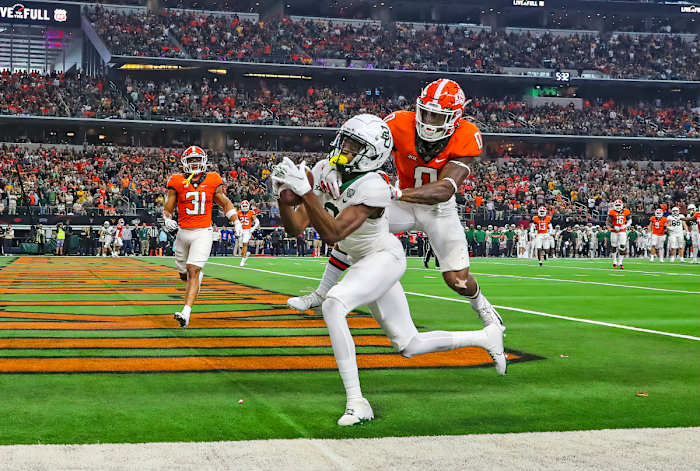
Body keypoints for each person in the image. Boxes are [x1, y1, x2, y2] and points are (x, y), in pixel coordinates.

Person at [272, 114, 505, 426]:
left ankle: (357, 402)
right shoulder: (324, 169)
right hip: (363, 263)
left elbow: (332, 234)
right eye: (345, 140)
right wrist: (286, 199)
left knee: (334, 305)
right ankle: (486, 337)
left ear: (373, 153)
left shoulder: (374, 187)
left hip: (383, 258)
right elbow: (296, 228)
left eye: (354, 145)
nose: (345, 148)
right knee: (410, 344)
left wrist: (309, 194)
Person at [289, 79, 504, 331]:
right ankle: (322, 293)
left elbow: (445, 190)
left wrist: (395, 192)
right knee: (353, 227)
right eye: (425, 112)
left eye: (437, 116)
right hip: (400, 200)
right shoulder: (399, 123)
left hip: (436, 210)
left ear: (456, 118)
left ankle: (481, 304)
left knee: (457, 280)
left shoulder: (467, 136)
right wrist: (334, 166)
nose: (428, 121)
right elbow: (362, 142)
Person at [162, 145, 241, 328]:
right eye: (191, 160)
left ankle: (186, 313)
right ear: (184, 163)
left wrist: (236, 220)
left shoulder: (213, 179)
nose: (195, 163)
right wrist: (167, 220)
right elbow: (168, 209)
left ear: (204, 161)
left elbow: (224, 202)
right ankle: (196, 281)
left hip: (203, 232)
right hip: (182, 233)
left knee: (192, 270)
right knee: (184, 275)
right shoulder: (176, 181)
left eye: (198, 159)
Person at [606, 199, 632, 269]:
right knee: (614, 246)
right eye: (616, 205)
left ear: (622, 205)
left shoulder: (626, 211)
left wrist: (625, 225)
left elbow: (630, 220)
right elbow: (608, 222)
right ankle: (614, 261)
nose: (618, 206)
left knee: (622, 246)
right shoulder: (611, 212)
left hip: (622, 231)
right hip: (614, 231)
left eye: (619, 205)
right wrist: (613, 227)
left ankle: (620, 262)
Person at [237, 200, 258, 266]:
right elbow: (236, 222)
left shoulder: (251, 212)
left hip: (247, 230)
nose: (245, 207)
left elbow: (257, 222)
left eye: (246, 206)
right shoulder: (239, 212)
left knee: (245, 243)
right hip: (241, 230)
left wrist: (253, 228)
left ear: (248, 206)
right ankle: (245, 254)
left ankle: (243, 260)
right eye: (244, 206)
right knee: (240, 246)